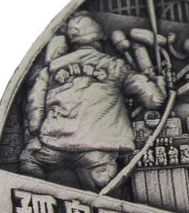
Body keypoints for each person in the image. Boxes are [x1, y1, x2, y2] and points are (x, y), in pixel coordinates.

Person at [20, 12, 166, 190]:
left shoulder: (52, 68)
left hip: (54, 143)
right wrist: (158, 83)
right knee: (103, 182)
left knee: (29, 162)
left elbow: (35, 105)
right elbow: (154, 100)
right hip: (99, 148)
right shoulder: (117, 66)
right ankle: (101, 183)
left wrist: (37, 131)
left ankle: (40, 195)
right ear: (99, 39)